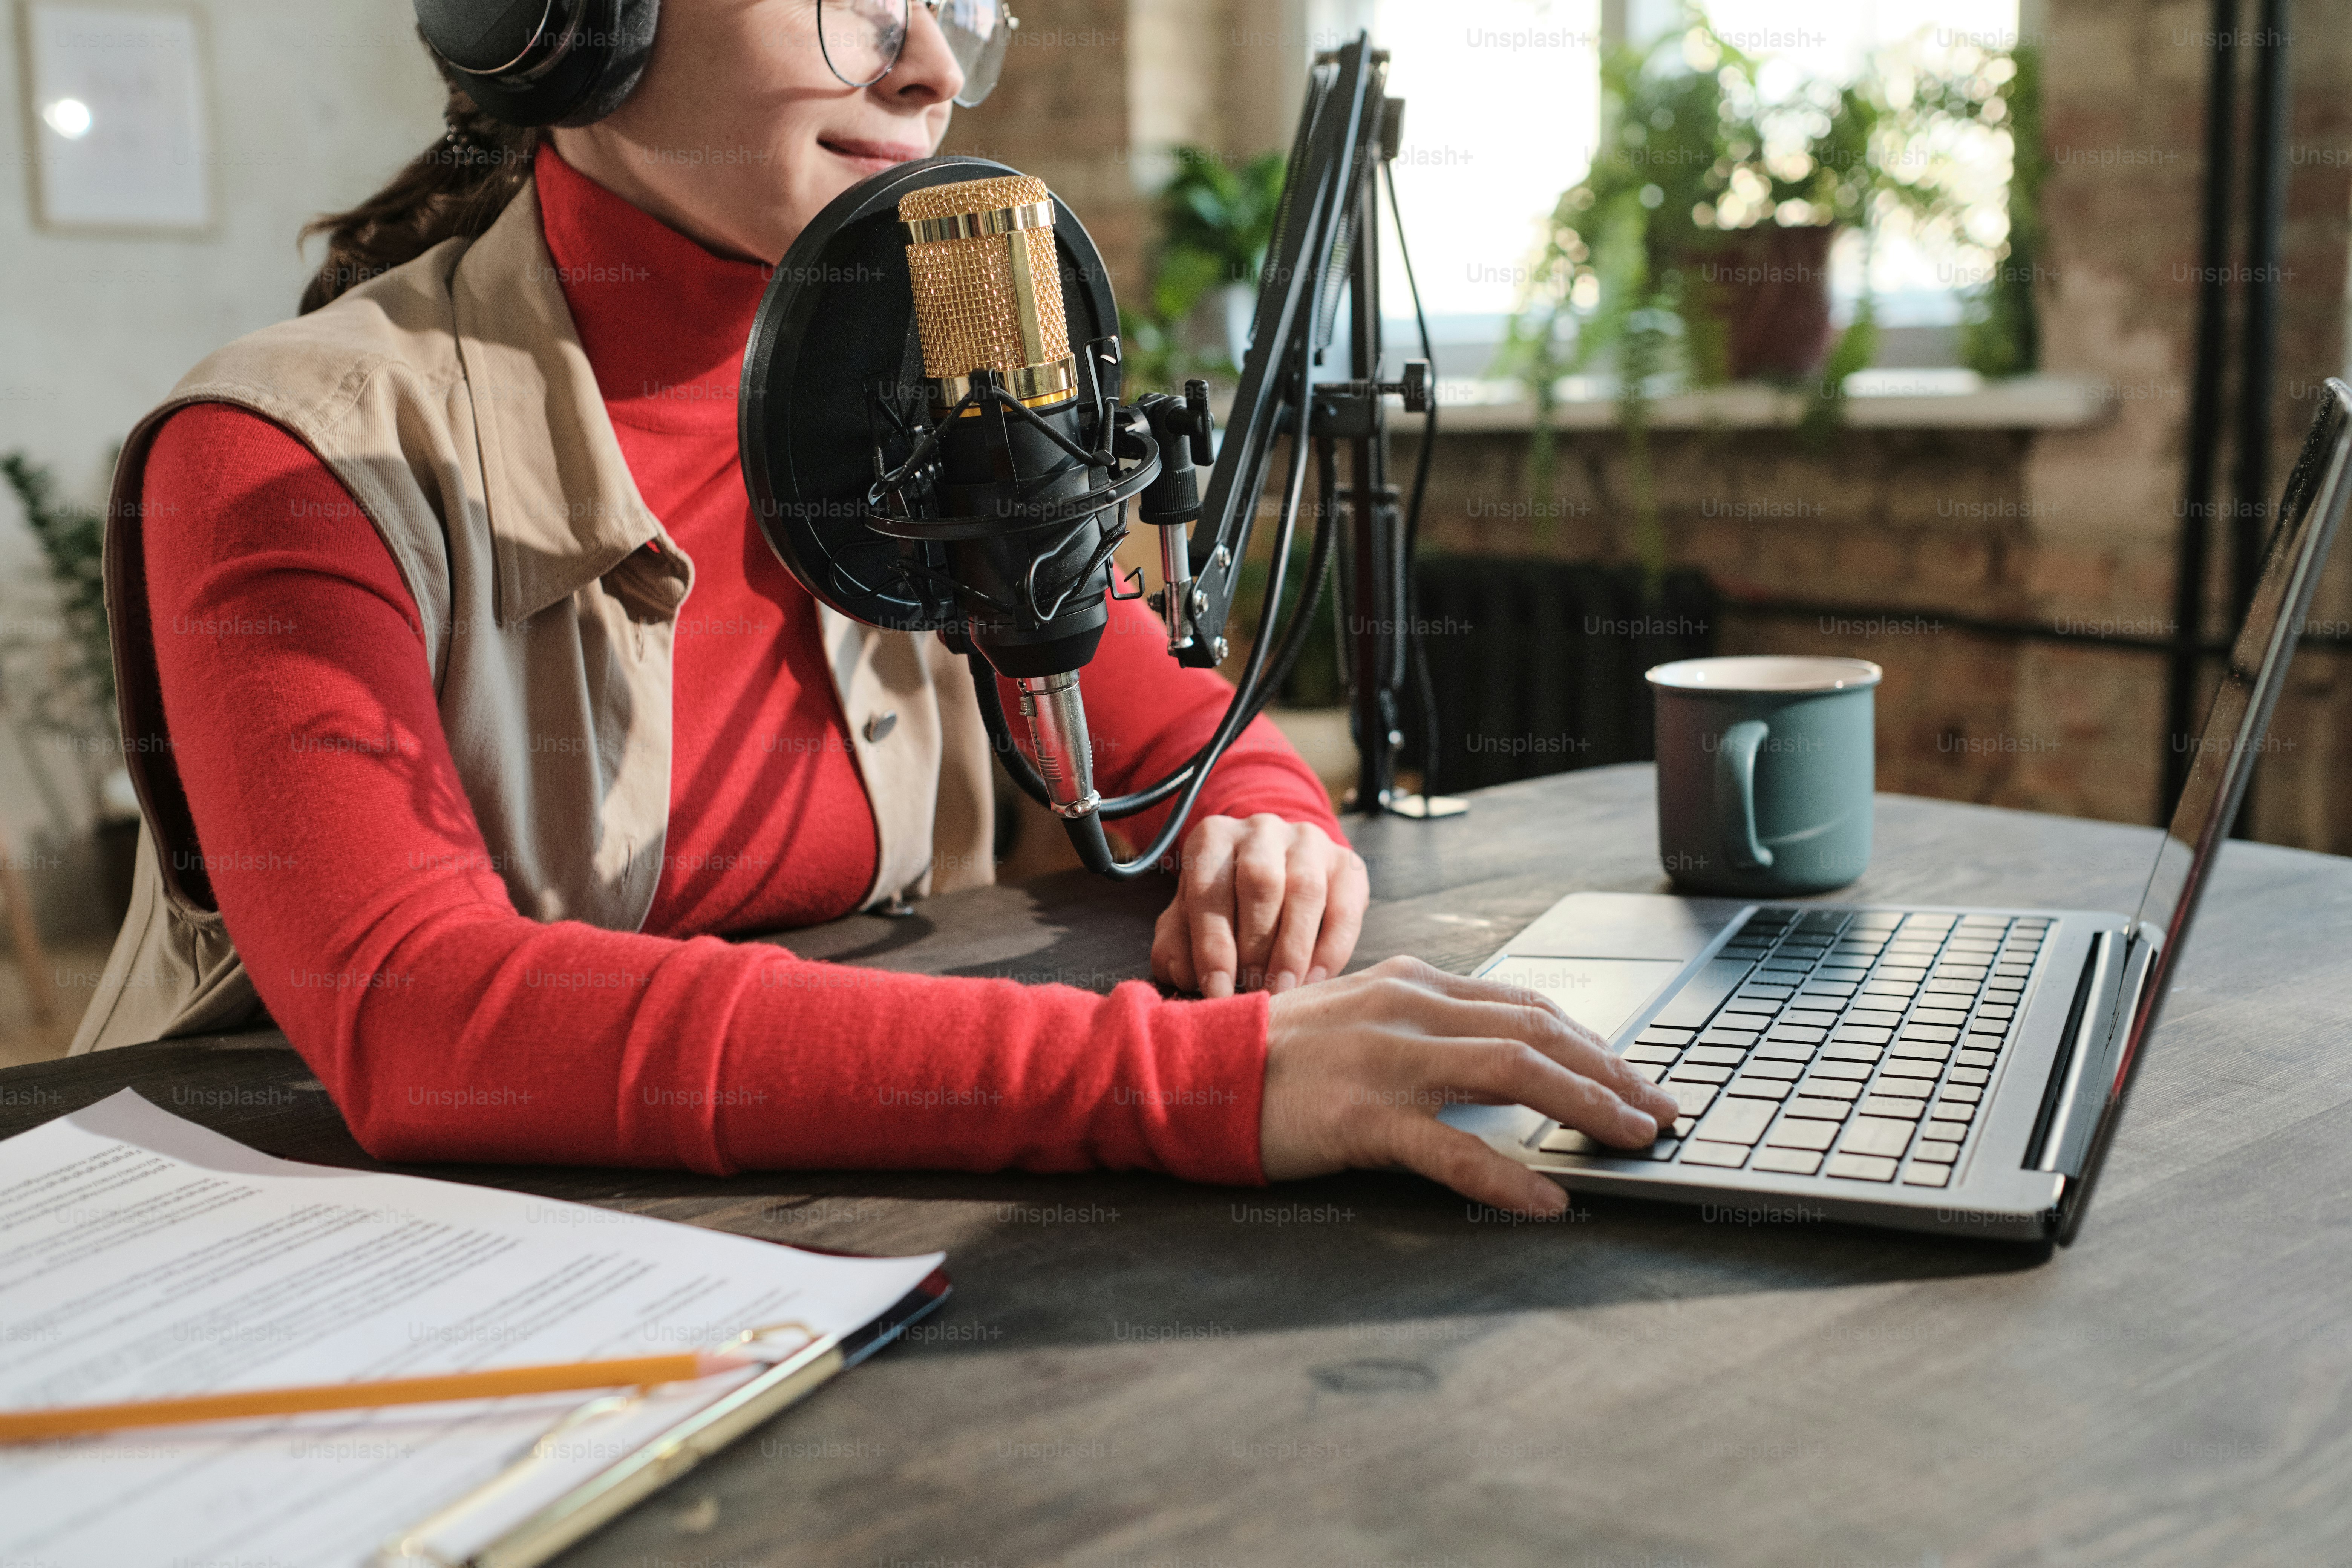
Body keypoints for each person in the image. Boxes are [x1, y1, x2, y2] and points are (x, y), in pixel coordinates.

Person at [70, 0, 1674, 1215]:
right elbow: (424, 1014)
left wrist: (1263, 819)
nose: (928, 68)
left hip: (781, 1233)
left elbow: (1172, 731)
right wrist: (1190, 1080)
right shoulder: (284, 453)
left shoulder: (933, 373)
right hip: (308, 1260)